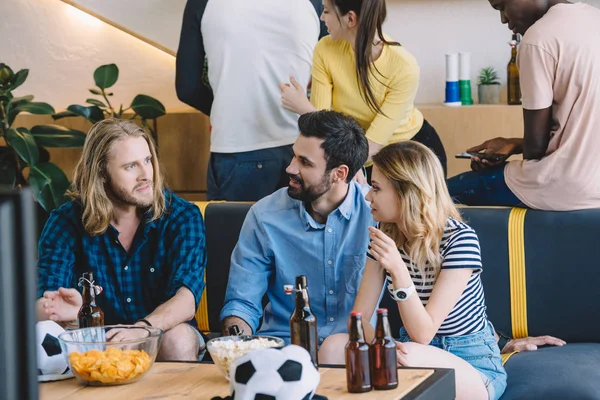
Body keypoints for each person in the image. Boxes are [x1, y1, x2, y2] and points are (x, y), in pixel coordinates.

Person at [319, 141, 508, 399]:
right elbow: (359, 319)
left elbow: (423, 333)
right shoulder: (386, 235)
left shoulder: (460, 239)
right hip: (410, 352)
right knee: (332, 347)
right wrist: (385, 346)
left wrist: (398, 269)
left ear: (406, 192)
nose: (367, 197)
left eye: (376, 188)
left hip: (471, 365)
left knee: (410, 357)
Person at [36, 119, 207, 361]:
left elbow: (186, 299)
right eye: (130, 167)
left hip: (161, 333)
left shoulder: (181, 216)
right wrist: (72, 314)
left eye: (148, 161)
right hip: (94, 339)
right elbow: (42, 307)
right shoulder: (65, 222)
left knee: (178, 339)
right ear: (101, 173)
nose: (146, 175)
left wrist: (141, 329)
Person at [220, 110, 374, 345]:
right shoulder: (265, 216)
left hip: (356, 351)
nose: (290, 168)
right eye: (294, 156)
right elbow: (242, 304)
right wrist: (236, 345)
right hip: (283, 348)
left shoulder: (376, 215)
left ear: (339, 174)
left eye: (305, 162)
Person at [447, 0, 600, 210]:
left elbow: (535, 148)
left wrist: (513, 153)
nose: (503, 19)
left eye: (501, 6)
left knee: (438, 192)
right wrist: (512, 144)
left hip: (566, 186)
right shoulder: (594, 18)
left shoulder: (537, 38)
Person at [280, 0, 448, 181]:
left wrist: (304, 108)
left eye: (327, 11)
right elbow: (322, 123)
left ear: (350, 18)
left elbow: (375, 141)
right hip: (354, 149)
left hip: (408, 152)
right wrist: (350, 159)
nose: (322, 17)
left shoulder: (404, 66)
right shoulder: (325, 49)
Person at [175, 0, 322, 201]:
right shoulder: (316, 3)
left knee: (234, 232)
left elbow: (187, 88)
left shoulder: (202, 3)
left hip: (235, 149)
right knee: (304, 232)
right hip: (304, 148)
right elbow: (332, 73)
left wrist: (228, 112)